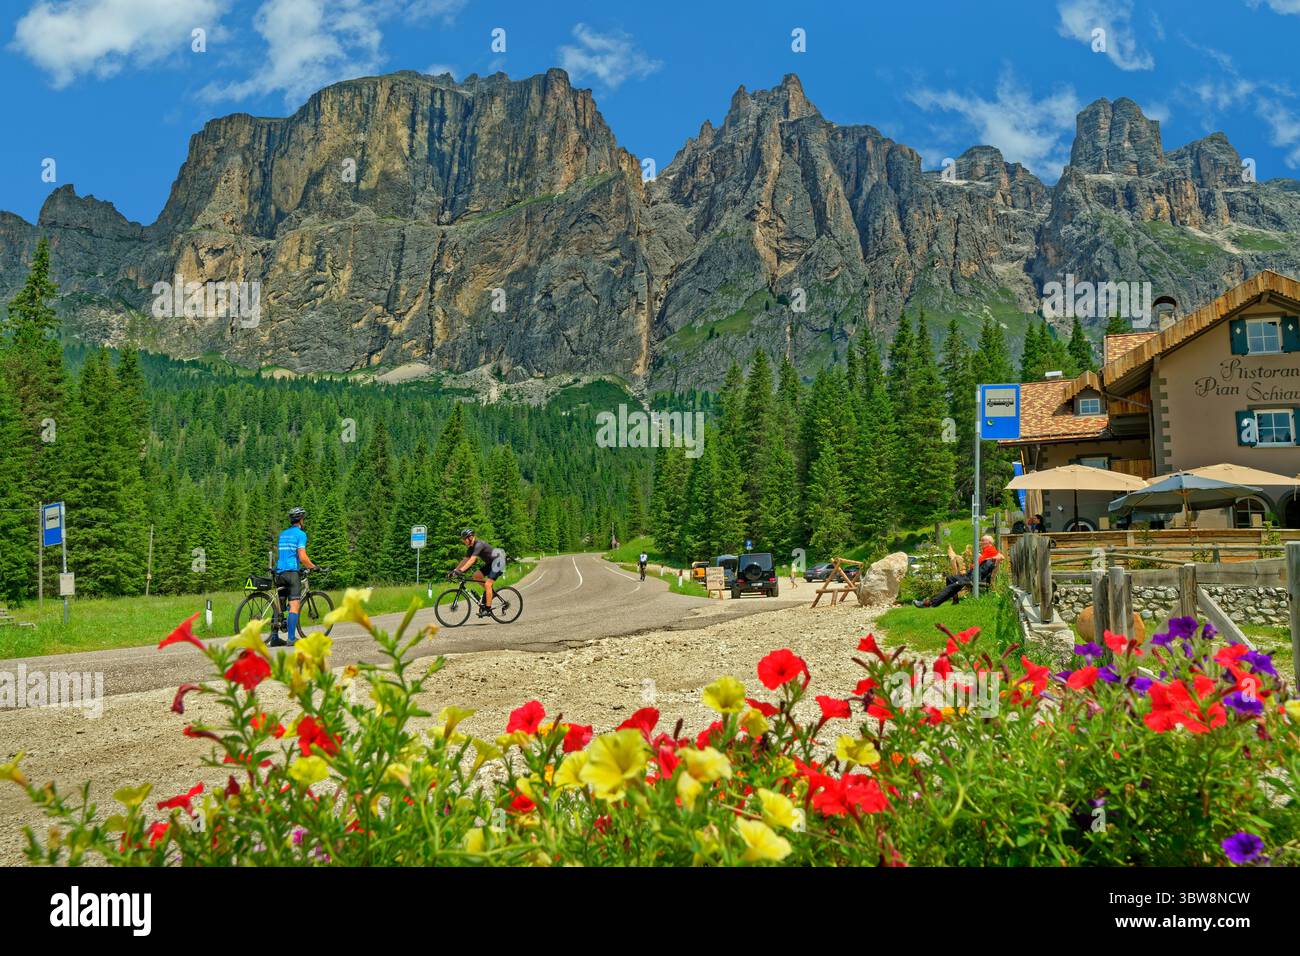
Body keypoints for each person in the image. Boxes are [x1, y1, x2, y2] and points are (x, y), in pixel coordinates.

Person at [912, 535, 1003, 608]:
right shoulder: (985, 551)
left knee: (952, 587)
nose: (981, 542)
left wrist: (992, 558)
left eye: (983, 540)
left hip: (973, 577)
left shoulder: (991, 549)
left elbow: (1001, 557)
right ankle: (955, 600)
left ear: (989, 542)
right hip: (969, 575)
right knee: (950, 578)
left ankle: (929, 603)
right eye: (981, 540)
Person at [273, 506, 318, 646]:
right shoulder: (301, 534)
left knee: (279, 607)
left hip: (279, 572)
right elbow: (303, 557)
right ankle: (291, 638)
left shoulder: (283, 534)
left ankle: (274, 638)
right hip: (291, 573)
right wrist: (313, 567)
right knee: (294, 605)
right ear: (301, 520)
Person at [451, 529, 505, 618]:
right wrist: (455, 570)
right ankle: (490, 593)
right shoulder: (470, 548)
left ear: (470, 537)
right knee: (476, 576)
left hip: (499, 562)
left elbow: (472, 560)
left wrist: (461, 571)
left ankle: (487, 609)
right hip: (491, 563)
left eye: (464, 539)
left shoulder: (479, 544)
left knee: (488, 584)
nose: (463, 541)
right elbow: (465, 560)